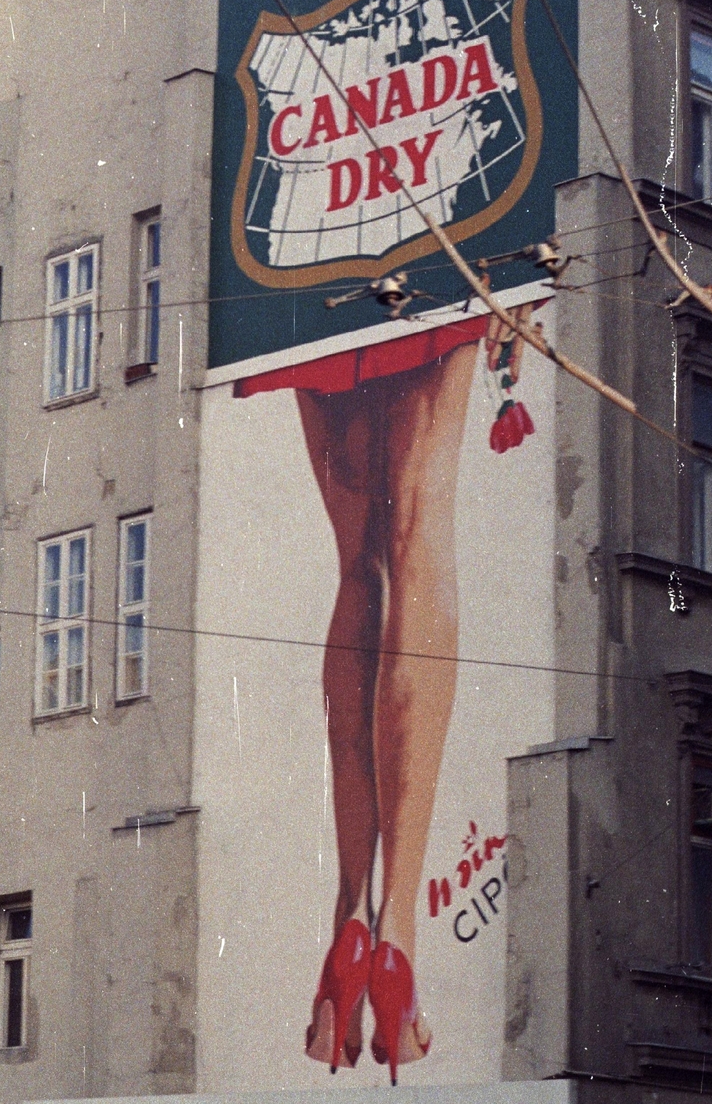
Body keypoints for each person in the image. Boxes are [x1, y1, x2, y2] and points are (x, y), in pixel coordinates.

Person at [234, 302, 536, 1083]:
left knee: (359, 558)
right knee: (420, 523)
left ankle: (348, 924)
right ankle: (393, 927)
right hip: (437, 229)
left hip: (318, 243)